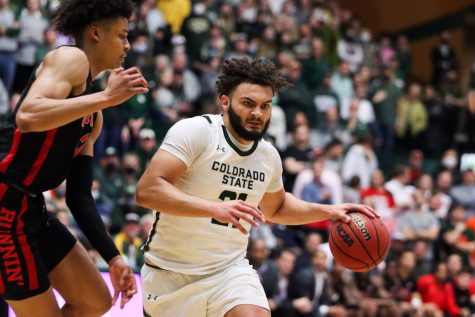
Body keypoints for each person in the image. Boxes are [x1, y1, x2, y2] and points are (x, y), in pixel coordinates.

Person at [136, 57, 377, 317]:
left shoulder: (268, 156)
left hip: (228, 271)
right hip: (170, 274)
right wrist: (214, 208)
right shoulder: (196, 132)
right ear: (225, 101)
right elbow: (148, 191)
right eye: (248, 104)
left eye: (265, 106)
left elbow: (278, 207)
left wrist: (329, 211)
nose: (257, 114)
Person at [0, 0, 149, 316]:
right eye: (122, 36)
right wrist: (107, 97)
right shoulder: (70, 58)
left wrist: (114, 256)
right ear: (95, 33)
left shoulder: (93, 116)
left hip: (31, 207)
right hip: (3, 207)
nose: (127, 44)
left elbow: (79, 195)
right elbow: (28, 115)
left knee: (96, 300)